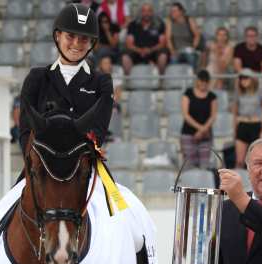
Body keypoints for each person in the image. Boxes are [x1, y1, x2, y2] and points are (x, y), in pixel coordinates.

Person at [19, 3, 113, 153]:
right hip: (42, 164)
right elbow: (25, 130)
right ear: (58, 36)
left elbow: (99, 131)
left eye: (83, 38)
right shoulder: (36, 78)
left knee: (108, 178)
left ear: (91, 43)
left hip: (83, 163)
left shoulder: (102, 82)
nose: (76, 43)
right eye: (70, 36)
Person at [180, 69, 218, 168]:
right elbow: (186, 114)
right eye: (201, 81)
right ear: (197, 81)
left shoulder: (212, 97)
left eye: (206, 82)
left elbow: (213, 116)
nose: (203, 84)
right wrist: (201, 129)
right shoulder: (188, 93)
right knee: (189, 166)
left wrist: (203, 130)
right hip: (188, 133)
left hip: (206, 135)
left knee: (204, 166)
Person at [233, 69, 262, 168]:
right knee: (239, 161)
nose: (243, 81)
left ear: (252, 79)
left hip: (256, 125)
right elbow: (235, 113)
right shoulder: (238, 92)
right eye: (241, 78)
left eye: (245, 78)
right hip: (243, 124)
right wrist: (234, 130)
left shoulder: (260, 91)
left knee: (256, 160)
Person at [122, 3, 169, 74]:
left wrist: (150, 50)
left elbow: (162, 43)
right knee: (125, 56)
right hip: (137, 52)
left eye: (149, 11)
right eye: (144, 11)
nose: (146, 13)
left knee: (163, 55)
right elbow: (129, 44)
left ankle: (161, 81)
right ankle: (129, 81)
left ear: (152, 12)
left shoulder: (159, 24)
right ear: (141, 12)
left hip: (154, 52)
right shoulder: (133, 25)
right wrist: (140, 50)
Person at [165, 2, 202, 70]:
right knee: (173, 61)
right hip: (177, 50)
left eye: (174, 11)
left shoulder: (189, 20)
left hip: (189, 49)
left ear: (181, 12)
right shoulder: (170, 22)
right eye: (171, 11)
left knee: (191, 59)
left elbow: (197, 35)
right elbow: (168, 39)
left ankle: (194, 77)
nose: (172, 13)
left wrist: (193, 47)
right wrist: (172, 51)